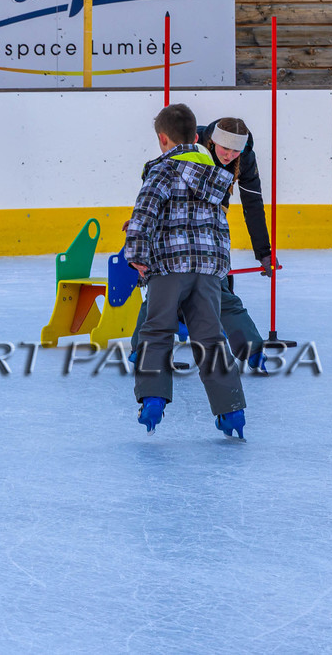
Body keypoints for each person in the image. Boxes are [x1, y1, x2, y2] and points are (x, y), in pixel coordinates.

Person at [126, 103, 247, 439]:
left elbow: (143, 215)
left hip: (169, 267)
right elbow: (217, 224)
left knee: (157, 331)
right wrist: (220, 266)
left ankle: (152, 399)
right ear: (196, 137)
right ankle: (232, 410)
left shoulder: (161, 172)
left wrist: (136, 254)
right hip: (208, 270)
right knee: (210, 338)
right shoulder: (214, 175)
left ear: (163, 139)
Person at [129, 116, 273, 372]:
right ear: (211, 141)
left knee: (214, 292)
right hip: (177, 225)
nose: (229, 156)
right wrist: (140, 222)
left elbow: (253, 204)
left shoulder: (245, 158)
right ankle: (142, 347)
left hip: (207, 231)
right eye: (224, 149)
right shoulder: (191, 146)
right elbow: (156, 188)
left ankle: (252, 350)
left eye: (235, 151)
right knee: (168, 289)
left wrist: (263, 252)